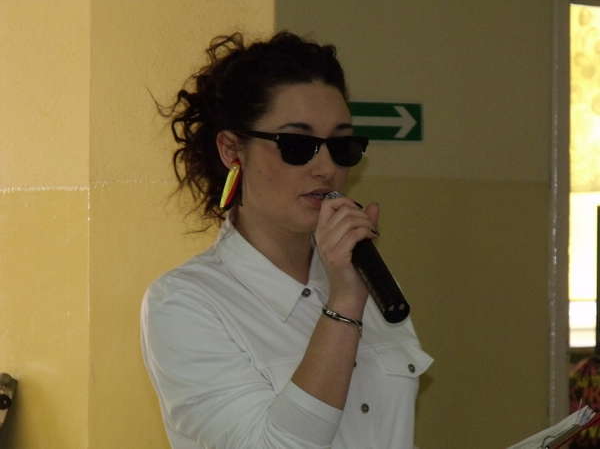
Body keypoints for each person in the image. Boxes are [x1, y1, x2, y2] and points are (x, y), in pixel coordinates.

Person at [141, 31, 432, 449]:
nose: (326, 168)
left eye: (342, 145)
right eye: (297, 145)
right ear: (231, 150)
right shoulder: (184, 302)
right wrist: (343, 307)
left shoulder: (367, 277)